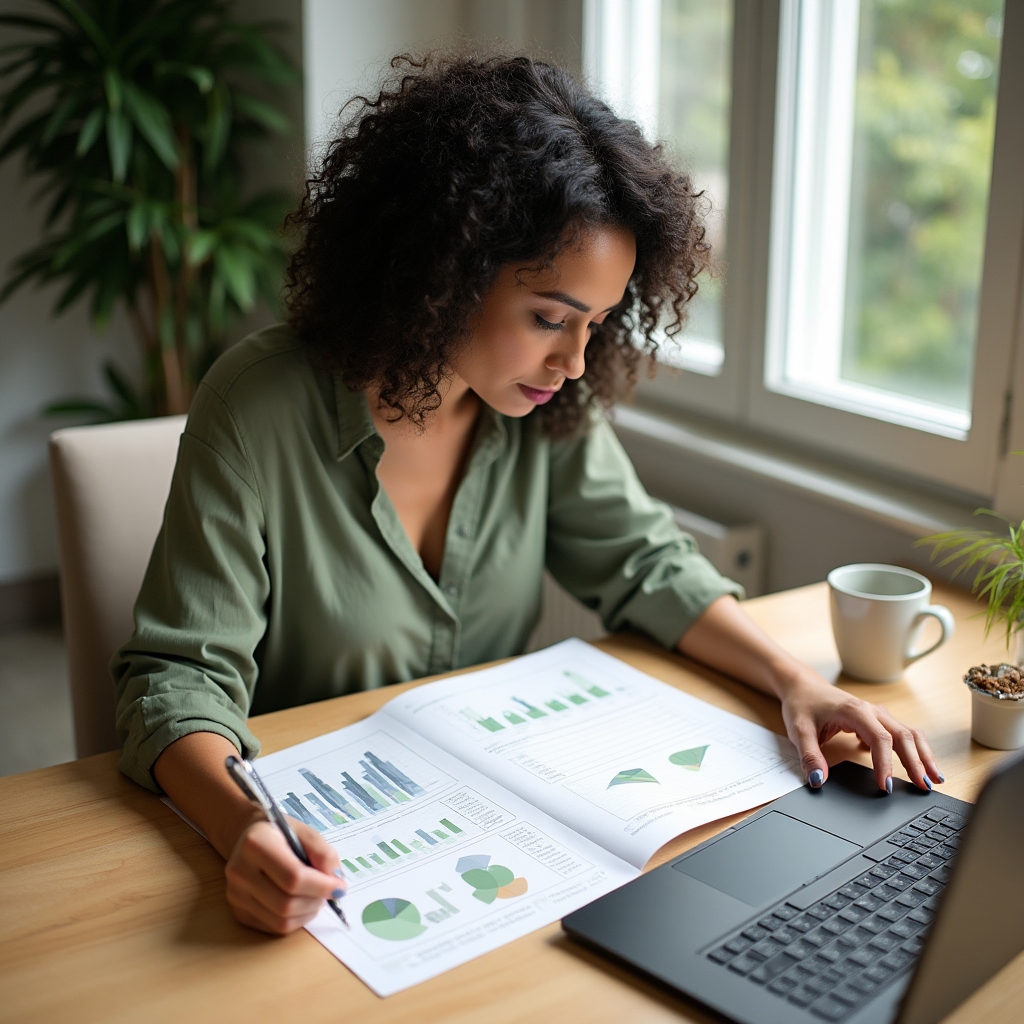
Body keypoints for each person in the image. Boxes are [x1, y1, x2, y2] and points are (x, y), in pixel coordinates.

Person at [113, 53, 943, 938]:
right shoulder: (256, 405)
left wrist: (794, 682)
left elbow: (643, 561)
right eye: (549, 318)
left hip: (496, 851)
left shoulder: (548, 406)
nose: (576, 361)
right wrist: (245, 826)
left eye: (597, 323)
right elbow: (178, 678)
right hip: (336, 855)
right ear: (443, 269)